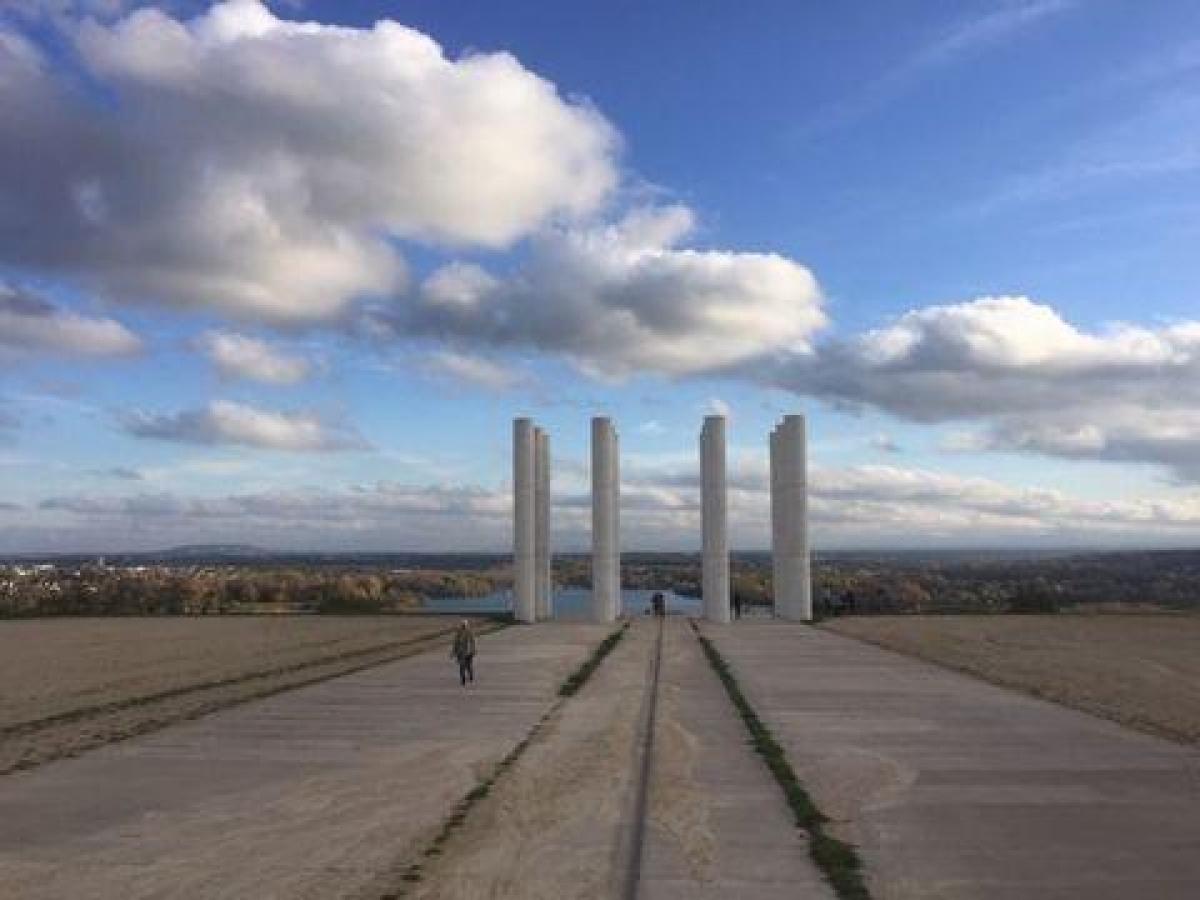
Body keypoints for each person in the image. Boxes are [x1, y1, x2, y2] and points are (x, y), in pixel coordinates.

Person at [451, 619, 476, 686]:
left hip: (468, 653)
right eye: (462, 625)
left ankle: (470, 675)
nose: (463, 626)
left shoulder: (470, 633)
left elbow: (472, 643)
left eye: (464, 625)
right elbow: (455, 643)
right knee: (462, 666)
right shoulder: (458, 633)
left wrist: (472, 651)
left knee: (468, 666)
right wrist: (453, 652)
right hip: (461, 653)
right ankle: (463, 679)